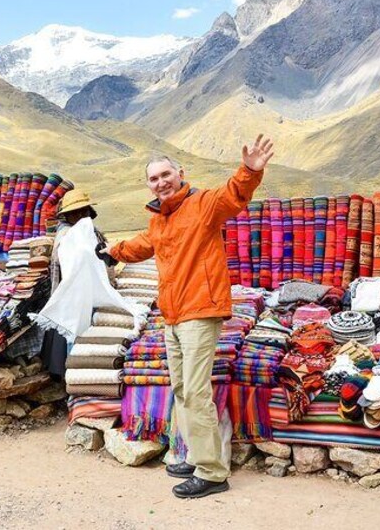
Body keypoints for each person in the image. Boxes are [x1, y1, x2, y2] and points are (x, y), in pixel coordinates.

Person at [106, 135, 274, 499]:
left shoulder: (203, 204)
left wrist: (250, 171)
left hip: (200, 309)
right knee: (182, 389)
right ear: (148, 184)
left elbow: (233, 194)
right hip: (173, 314)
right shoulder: (159, 220)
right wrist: (112, 251)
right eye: (154, 178)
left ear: (180, 173)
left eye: (166, 174)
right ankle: (198, 455)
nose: (161, 182)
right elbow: (141, 246)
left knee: (196, 392)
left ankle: (212, 472)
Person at [41, 189, 113, 378]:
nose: (80, 215)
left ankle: (83, 371)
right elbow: (66, 261)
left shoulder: (91, 231)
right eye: (75, 212)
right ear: (67, 215)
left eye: (83, 211)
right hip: (73, 291)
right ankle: (70, 375)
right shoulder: (66, 235)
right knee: (72, 331)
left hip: (88, 290)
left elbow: (103, 255)